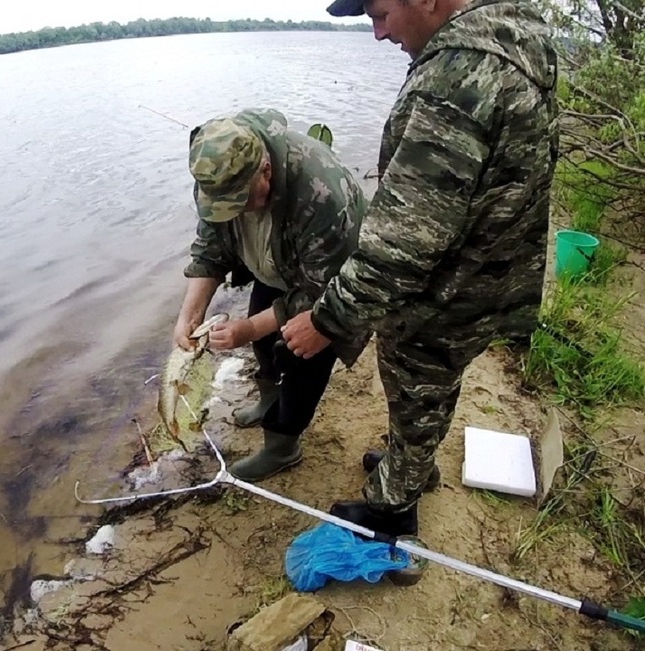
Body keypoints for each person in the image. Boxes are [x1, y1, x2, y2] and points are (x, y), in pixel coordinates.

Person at [281, 0, 559, 536]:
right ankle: (410, 462)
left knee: (416, 381)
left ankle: (393, 508)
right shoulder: (520, 41)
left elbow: (405, 238)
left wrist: (328, 320)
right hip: (489, 271)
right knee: (433, 383)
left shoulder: (457, 76)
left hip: (446, 287)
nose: (378, 34)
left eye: (381, 14)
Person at [174, 107, 371, 482]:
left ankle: (282, 447)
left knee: (300, 352)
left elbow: (321, 292)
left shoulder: (321, 193)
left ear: (266, 171)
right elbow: (210, 247)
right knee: (263, 340)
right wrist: (190, 314)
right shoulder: (220, 173)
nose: (237, 212)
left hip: (333, 285)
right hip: (277, 262)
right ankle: (268, 399)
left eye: (242, 202)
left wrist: (247, 328)